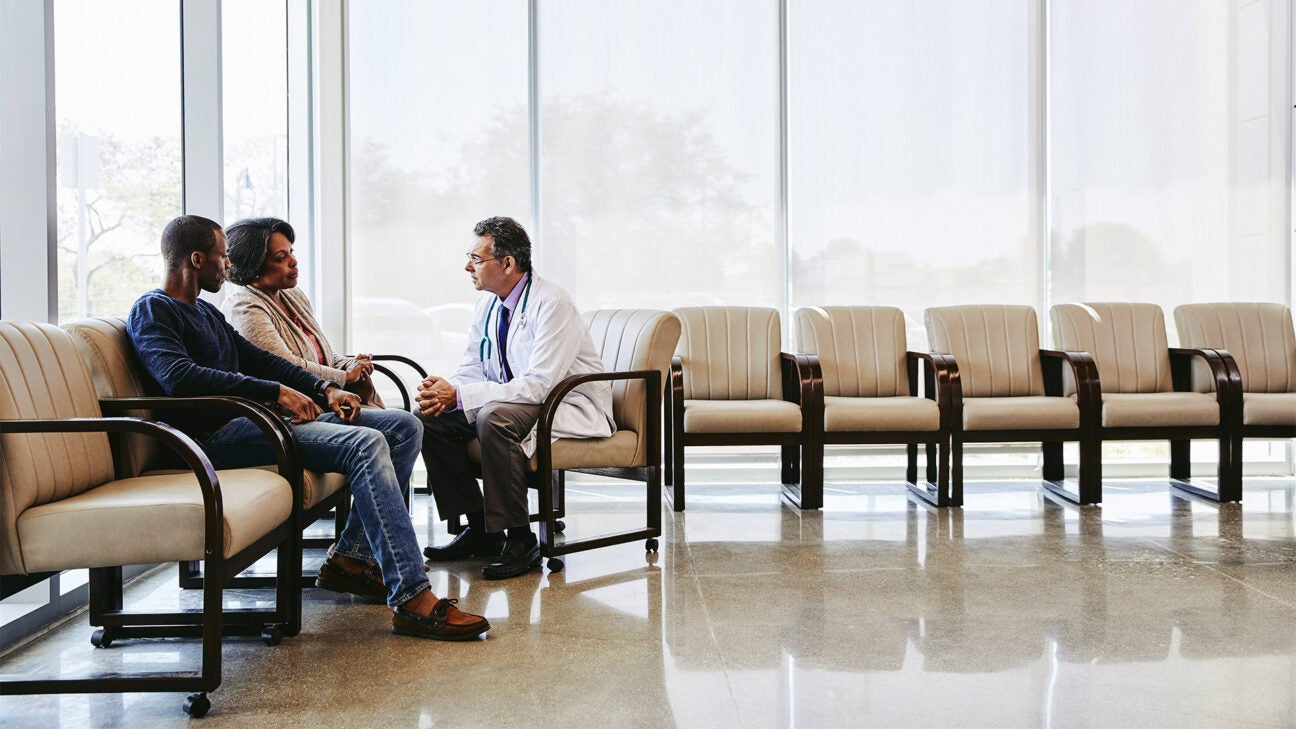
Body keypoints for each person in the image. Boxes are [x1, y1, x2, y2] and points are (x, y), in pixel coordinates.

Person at [126, 214, 488, 641]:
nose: (227, 266)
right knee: (366, 444)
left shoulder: (204, 311)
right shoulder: (153, 309)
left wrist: (323, 388)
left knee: (403, 427)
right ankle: (411, 596)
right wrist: (276, 392)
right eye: (222, 257)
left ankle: (351, 559)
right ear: (197, 258)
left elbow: (259, 359)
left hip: (255, 424)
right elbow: (178, 376)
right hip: (213, 440)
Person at [418, 216, 614, 580]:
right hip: (517, 398)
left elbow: (539, 384)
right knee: (428, 418)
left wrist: (461, 395)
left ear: (507, 263)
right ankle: (480, 531)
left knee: (494, 418)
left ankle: (521, 539)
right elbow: (474, 365)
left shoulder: (553, 303)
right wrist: (447, 391)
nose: (467, 266)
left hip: (563, 402)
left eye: (475, 259)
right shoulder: (489, 304)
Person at [220, 216, 383, 408]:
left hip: (327, 400)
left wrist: (350, 364)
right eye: (281, 258)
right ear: (253, 266)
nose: (294, 262)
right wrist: (345, 376)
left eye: (291, 252)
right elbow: (285, 366)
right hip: (292, 411)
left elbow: (322, 354)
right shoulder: (244, 307)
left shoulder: (292, 295)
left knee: (405, 422)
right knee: (403, 424)